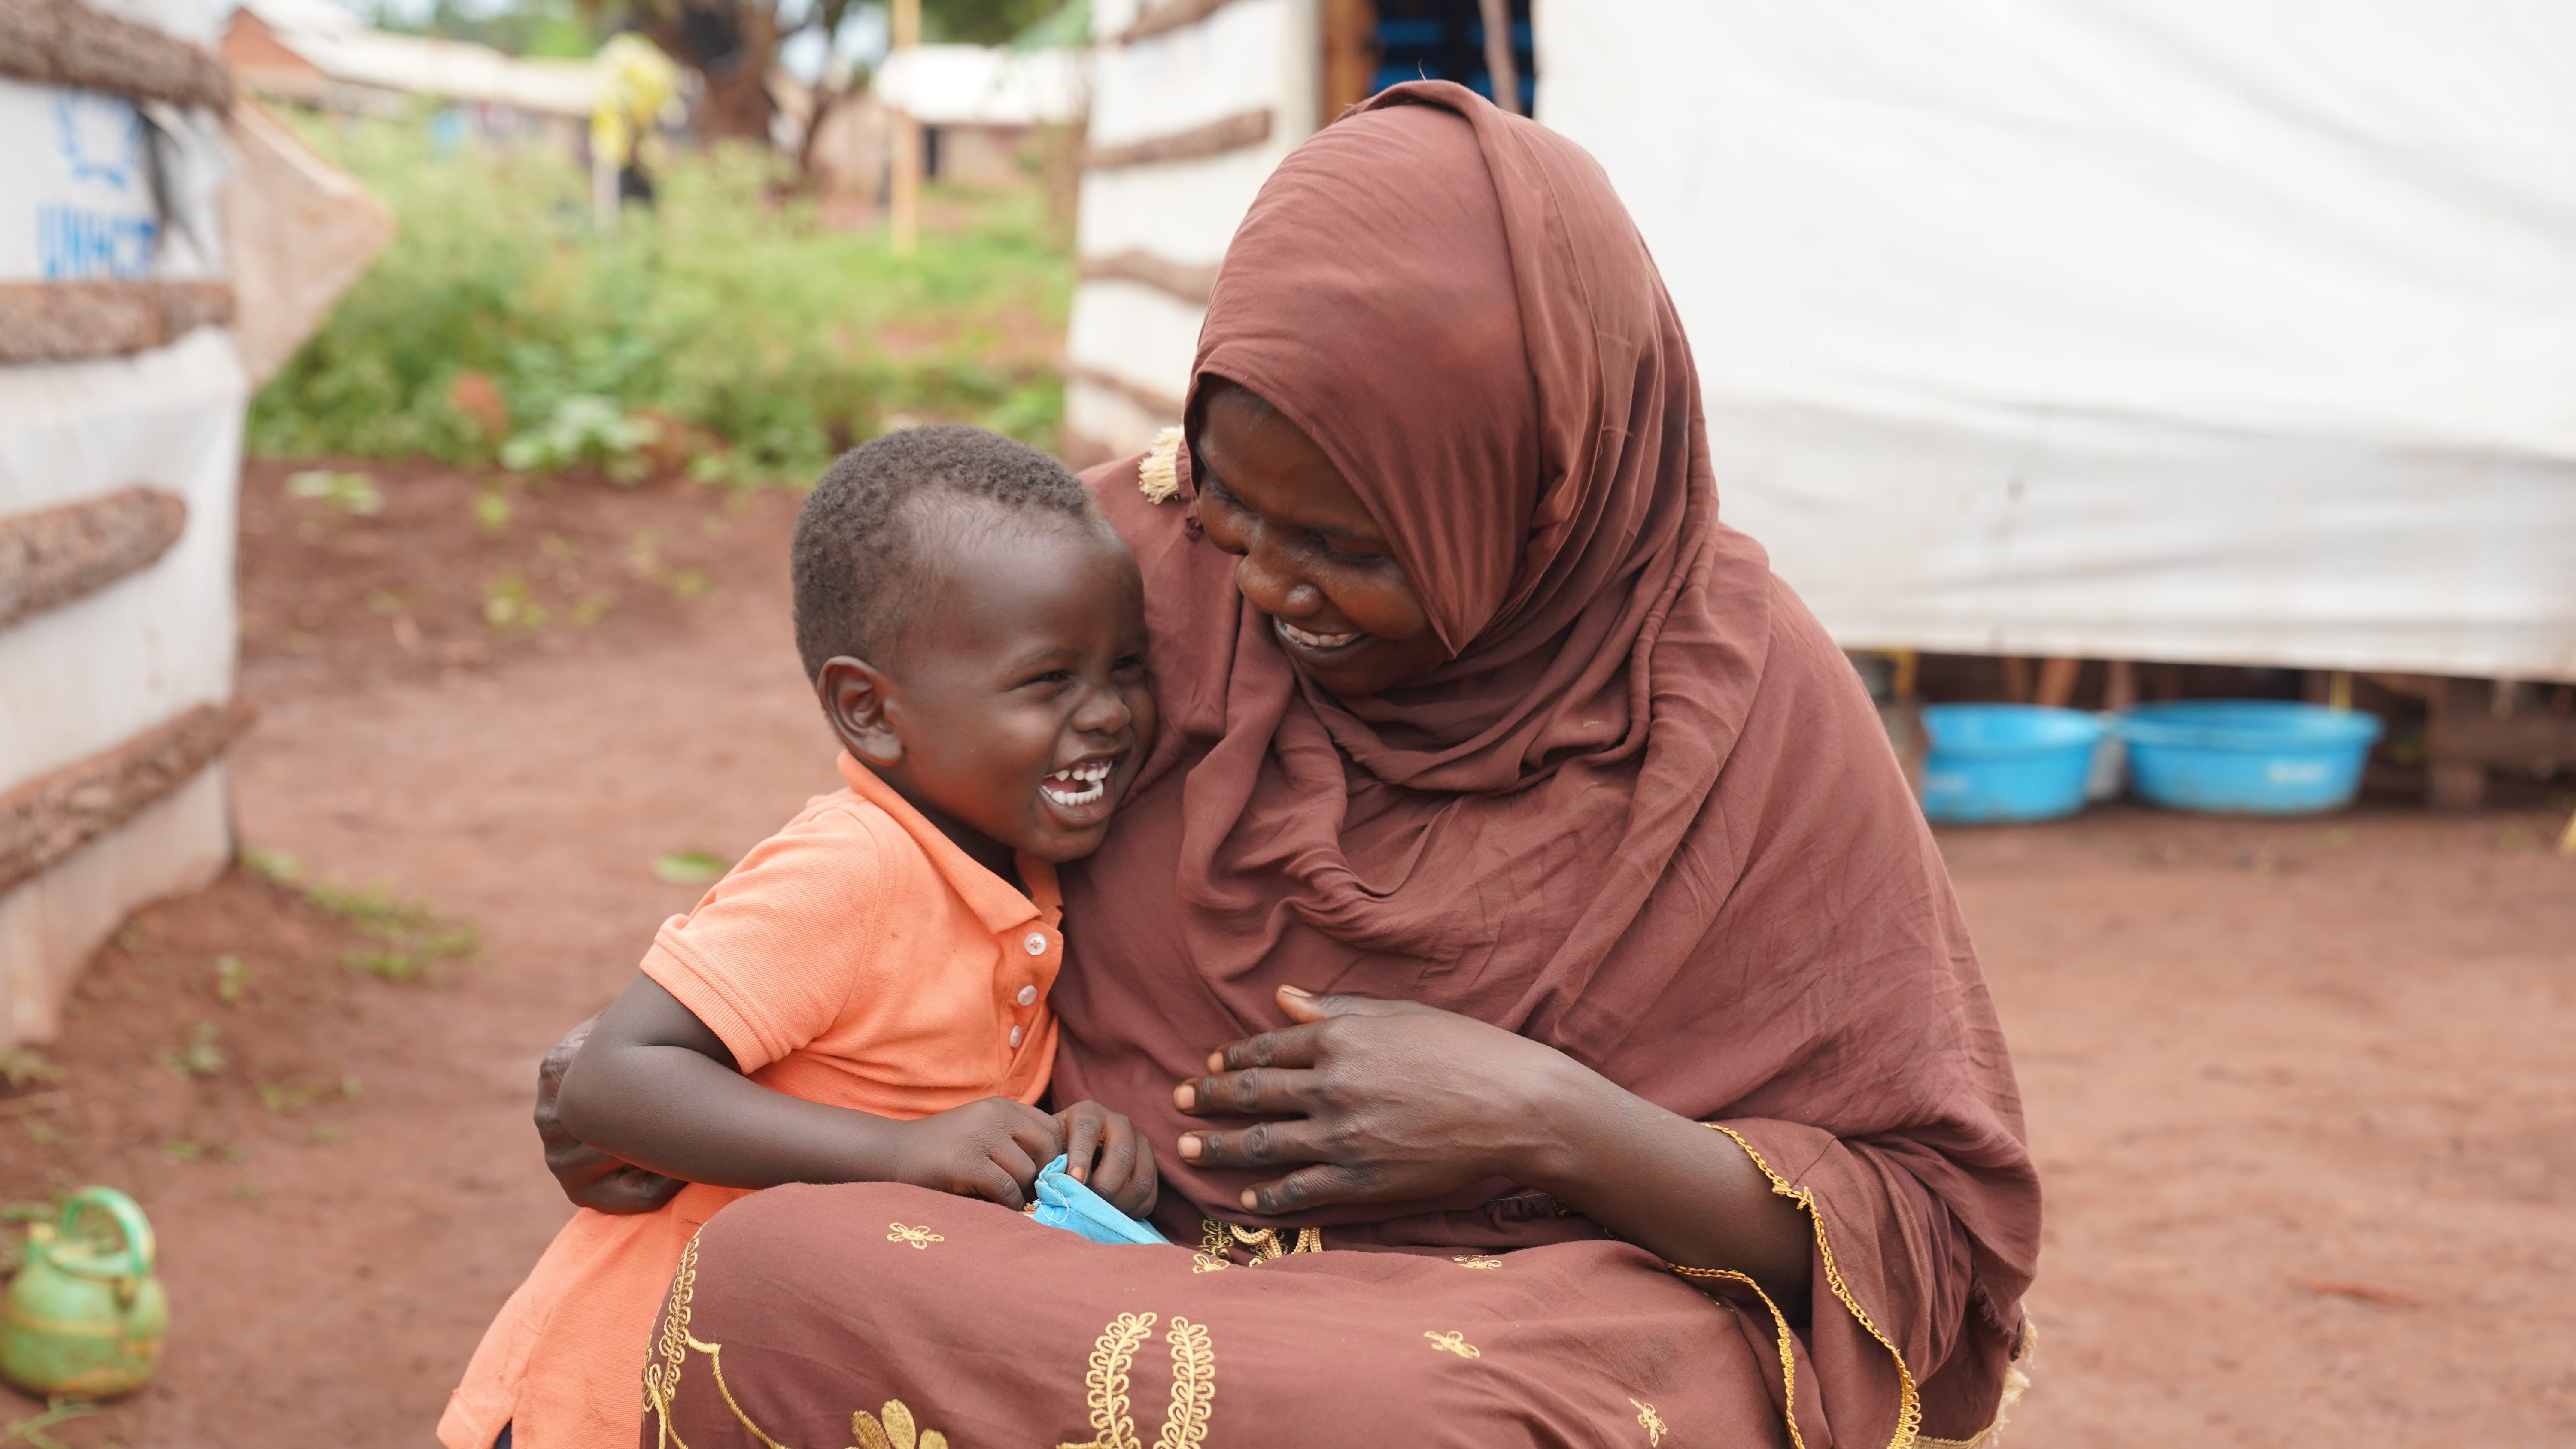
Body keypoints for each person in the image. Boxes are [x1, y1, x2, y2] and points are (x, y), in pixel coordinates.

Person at [541, 84, 2041, 1449]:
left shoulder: (1742, 700)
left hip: (1512, 1319)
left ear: (1535, 498)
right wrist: (674, 1061)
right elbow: (898, 849)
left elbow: (1927, 1234)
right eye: (1233, 511)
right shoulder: (1128, 572)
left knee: (1411, 1419)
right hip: (1091, 1264)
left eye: (1346, 546)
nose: (1261, 586)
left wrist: (1544, 1116)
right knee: (773, 1269)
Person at [439, 426, 1160, 1449]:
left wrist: (1072, 1144)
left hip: (759, 1388)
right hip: (616, 1389)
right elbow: (612, 1078)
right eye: (1050, 681)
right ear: (869, 710)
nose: (1110, 714)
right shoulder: (852, 866)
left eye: (1126, 667)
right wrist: (901, 1151)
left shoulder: (1027, 877)